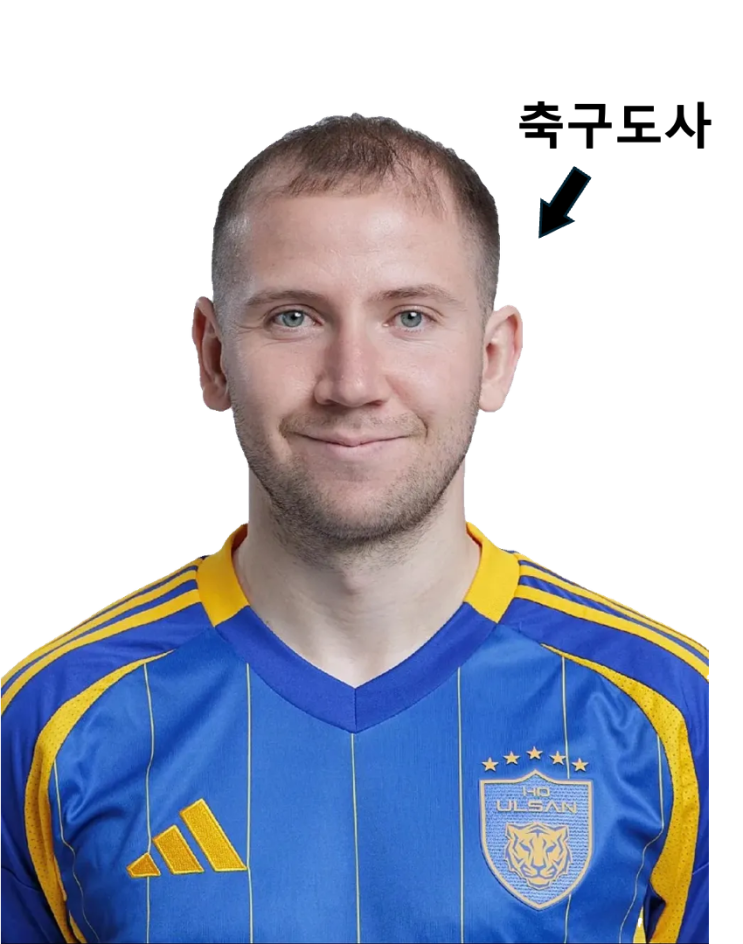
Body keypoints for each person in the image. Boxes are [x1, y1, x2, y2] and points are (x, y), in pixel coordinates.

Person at [0, 113, 708, 944]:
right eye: (293, 317)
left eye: (409, 317)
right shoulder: (50, 718)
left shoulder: (669, 709)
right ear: (213, 357)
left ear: (494, 359)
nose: (352, 383)